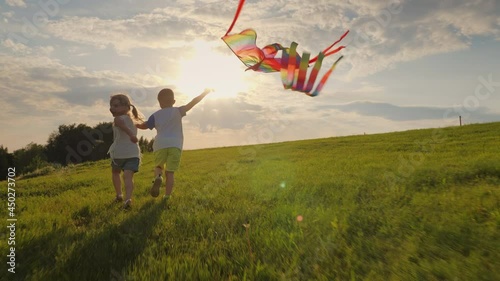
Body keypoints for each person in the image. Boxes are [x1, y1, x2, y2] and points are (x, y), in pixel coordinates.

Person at [137, 88, 211, 201]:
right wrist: (205, 93)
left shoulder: (155, 115)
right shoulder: (178, 111)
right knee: (170, 172)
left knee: (158, 166)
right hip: (175, 144)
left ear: (159, 102)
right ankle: (167, 196)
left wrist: (134, 122)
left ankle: (158, 177)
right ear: (174, 101)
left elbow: (144, 126)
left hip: (160, 144)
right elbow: (193, 102)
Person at [108, 94, 144, 210]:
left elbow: (124, 127)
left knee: (115, 173)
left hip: (119, 153)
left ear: (126, 106)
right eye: (111, 106)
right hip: (133, 153)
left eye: (116, 106)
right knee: (128, 177)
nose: (112, 108)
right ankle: (128, 199)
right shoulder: (134, 119)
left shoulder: (118, 119)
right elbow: (143, 125)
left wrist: (131, 135)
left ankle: (119, 195)